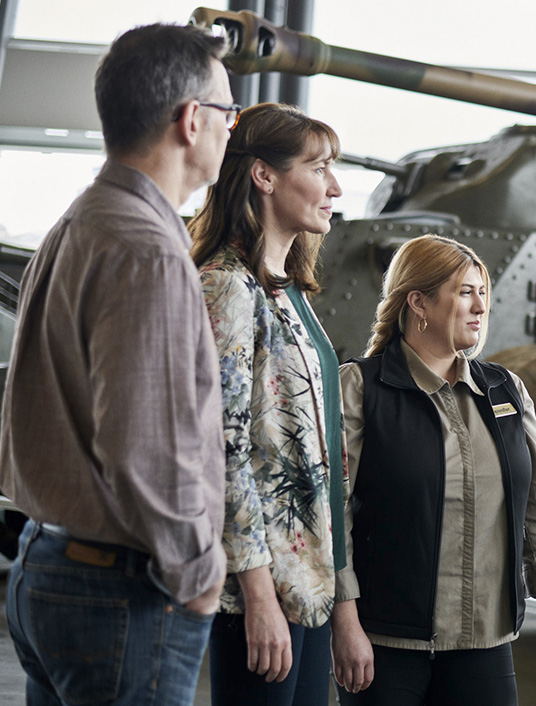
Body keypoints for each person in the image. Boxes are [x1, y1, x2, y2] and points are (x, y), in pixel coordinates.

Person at [0, 22, 234, 706]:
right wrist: (199, 570)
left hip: (46, 563)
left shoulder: (81, 222)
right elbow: (146, 445)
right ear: (192, 121)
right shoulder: (148, 252)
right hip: (120, 590)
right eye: (227, 112)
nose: (230, 128)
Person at [330, 234, 536, 706]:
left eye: (482, 293)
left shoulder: (506, 390)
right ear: (419, 301)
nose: (479, 306)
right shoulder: (360, 388)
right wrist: (345, 622)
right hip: (387, 642)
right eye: (465, 292)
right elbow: (333, 515)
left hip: (485, 641)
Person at [188, 102, 345, 706]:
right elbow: (221, 449)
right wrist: (257, 594)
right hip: (260, 588)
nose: (334, 186)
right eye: (319, 167)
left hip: (306, 585)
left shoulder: (285, 292)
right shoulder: (227, 285)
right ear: (264, 175)